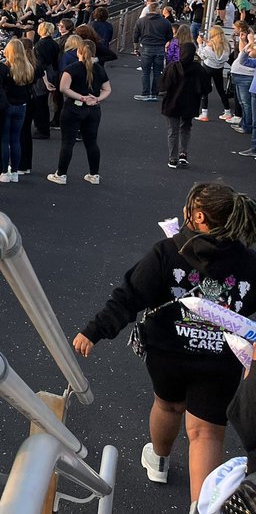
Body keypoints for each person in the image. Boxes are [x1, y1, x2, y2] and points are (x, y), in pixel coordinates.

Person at [73, 183, 256, 512]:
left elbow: (130, 295)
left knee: (168, 406)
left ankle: (158, 459)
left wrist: (94, 331)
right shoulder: (248, 262)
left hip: (168, 353)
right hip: (220, 359)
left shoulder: (168, 252)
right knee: (205, 433)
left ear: (198, 216)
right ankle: (202, 506)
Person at [47, 35, 111, 185]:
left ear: (78, 52)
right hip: (93, 110)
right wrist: (96, 99)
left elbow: (63, 88)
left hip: (73, 109)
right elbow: (107, 89)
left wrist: (81, 97)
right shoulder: (99, 70)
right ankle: (94, 175)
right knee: (92, 142)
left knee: (67, 142)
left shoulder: (71, 69)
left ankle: (61, 174)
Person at [160, 41, 209, 169]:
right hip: (190, 103)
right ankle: (183, 154)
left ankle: (173, 158)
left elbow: (163, 85)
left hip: (172, 103)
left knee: (173, 131)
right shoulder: (198, 69)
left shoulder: (173, 67)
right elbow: (206, 88)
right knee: (186, 129)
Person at [0, 39, 34, 182]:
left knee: (4, 140)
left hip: (7, 105)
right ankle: (15, 171)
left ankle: (3, 171)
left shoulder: (5, 67)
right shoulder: (29, 67)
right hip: (22, 106)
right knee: (16, 140)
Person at [134, 0, 174, 101]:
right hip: (160, 48)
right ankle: (154, 94)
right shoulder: (165, 22)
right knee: (157, 72)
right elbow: (170, 36)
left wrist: (136, 48)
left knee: (145, 72)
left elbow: (136, 36)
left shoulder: (141, 21)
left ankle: (145, 93)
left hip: (146, 47)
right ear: (157, 9)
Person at [197, 25, 231, 123]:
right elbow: (218, 52)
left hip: (208, 68)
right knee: (221, 90)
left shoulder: (210, 45)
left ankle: (204, 113)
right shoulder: (226, 45)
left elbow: (203, 55)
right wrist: (206, 43)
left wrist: (200, 44)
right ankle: (227, 112)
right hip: (219, 69)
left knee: (205, 90)